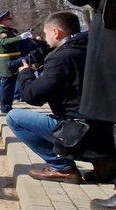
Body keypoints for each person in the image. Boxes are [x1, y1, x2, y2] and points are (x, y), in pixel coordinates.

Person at [7, 12, 115, 184]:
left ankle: (62, 168)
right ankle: (103, 163)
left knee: (14, 117)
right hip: (106, 131)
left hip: (80, 132)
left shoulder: (61, 57)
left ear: (56, 32)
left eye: (46, 33)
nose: (46, 38)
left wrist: (26, 73)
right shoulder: (92, 49)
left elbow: (33, 96)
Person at [0, 11, 29, 115]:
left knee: (11, 84)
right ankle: (5, 106)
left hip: (13, 58)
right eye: (9, 19)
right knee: (7, 84)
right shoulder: (1, 32)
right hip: (7, 60)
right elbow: (4, 42)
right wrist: (20, 37)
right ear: (3, 21)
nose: (11, 20)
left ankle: (8, 105)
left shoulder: (8, 31)